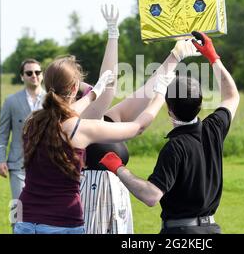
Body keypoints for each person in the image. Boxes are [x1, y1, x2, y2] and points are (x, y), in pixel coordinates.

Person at [98, 31, 240, 234]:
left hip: (181, 233)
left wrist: (119, 168)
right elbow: (232, 96)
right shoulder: (214, 128)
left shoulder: (175, 148)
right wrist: (213, 58)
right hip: (212, 230)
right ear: (200, 103)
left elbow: (151, 196)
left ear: (169, 109)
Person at [13, 55, 173, 234]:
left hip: (25, 221)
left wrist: (94, 94)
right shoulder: (79, 129)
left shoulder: (32, 121)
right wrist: (160, 95)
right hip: (62, 223)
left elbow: (63, 110)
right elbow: (138, 127)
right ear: (74, 88)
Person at [78, 6, 201, 234]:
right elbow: (108, 86)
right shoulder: (82, 122)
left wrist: (176, 55)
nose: (91, 89)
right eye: (86, 89)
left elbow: (148, 91)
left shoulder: (111, 118)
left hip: (118, 202)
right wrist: (113, 35)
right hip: (92, 202)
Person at [0, 58, 46, 229]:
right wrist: (0, 159)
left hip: (47, 164)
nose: (34, 76)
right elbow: (2, 133)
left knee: (44, 208)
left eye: (37, 72)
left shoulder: (52, 100)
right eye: (29, 73)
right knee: (18, 207)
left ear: (42, 75)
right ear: (22, 76)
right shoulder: (11, 101)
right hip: (18, 165)